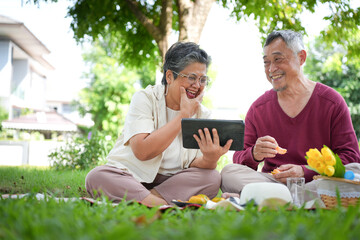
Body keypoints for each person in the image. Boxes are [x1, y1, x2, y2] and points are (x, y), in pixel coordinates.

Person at [85, 42, 232, 207]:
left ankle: (149, 200)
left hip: (171, 183)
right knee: (97, 176)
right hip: (130, 176)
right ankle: (162, 203)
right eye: (191, 78)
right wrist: (183, 116)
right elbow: (142, 151)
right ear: (169, 76)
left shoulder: (203, 115)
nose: (197, 86)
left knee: (212, 178)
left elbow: (196, 164)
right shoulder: (145, 98)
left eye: (202, 79)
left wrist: (211, 158)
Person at [221, 30, 360, 199]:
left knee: (355, 170)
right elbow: (239, 158)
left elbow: (350, 157)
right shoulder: (258, 108)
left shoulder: (331, 102)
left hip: (315, 180)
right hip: (273, 182)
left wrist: (304, 171)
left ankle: (269, 198)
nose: (271, 69)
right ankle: (289, 198)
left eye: (278, 59)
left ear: (301, 57)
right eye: (266, 63)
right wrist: (254, 154)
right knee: (229, 172)